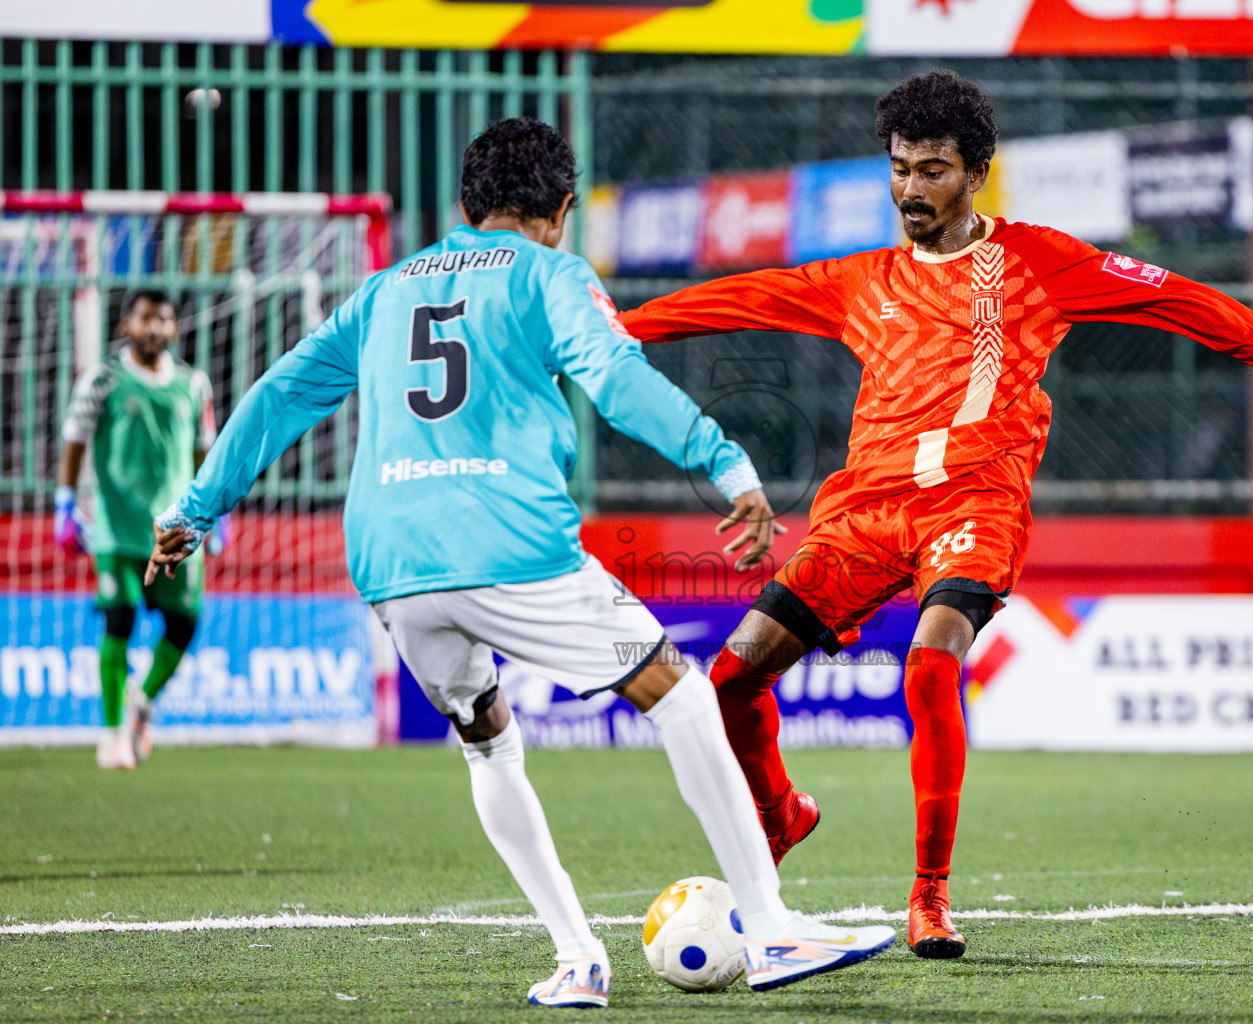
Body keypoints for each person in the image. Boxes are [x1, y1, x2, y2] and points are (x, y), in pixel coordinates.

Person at [145, 117, 894, 1007]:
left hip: (389, 561)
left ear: (468, 205)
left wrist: (193, 510)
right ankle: (769, 930)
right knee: (684, 697)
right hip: (507, 542)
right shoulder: (549, 272)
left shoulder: (385, 290)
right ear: (561, 210)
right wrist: (724, 460)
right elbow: (615, 379)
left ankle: (578, 959)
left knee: (487, 739)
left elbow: (277, 396)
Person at [618, 70, 1253, 961]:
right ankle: (781, 816)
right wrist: (618, 330)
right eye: (900, 169)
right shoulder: (863, 279)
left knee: (931, 664)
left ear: (976, 174)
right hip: (864, 513)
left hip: (974, 499)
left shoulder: (1038, 261)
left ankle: (931, 896)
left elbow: (1180, 298)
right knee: (728, 686)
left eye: (932, 171)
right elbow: (738, 298)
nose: (910, 190)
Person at [56, 290, 227, 771]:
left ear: (174, 329)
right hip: (115, 528)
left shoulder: (194, 384)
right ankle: (111, 736)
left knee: (184, 626)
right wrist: (65, 501)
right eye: (144, 318)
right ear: (127, 325)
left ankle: (141, 704)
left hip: (175, 532)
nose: (153, 327)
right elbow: (74, 439)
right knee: (121, 618)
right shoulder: (103, 379)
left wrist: (217, 510)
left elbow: (203, 450)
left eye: (163, 319)